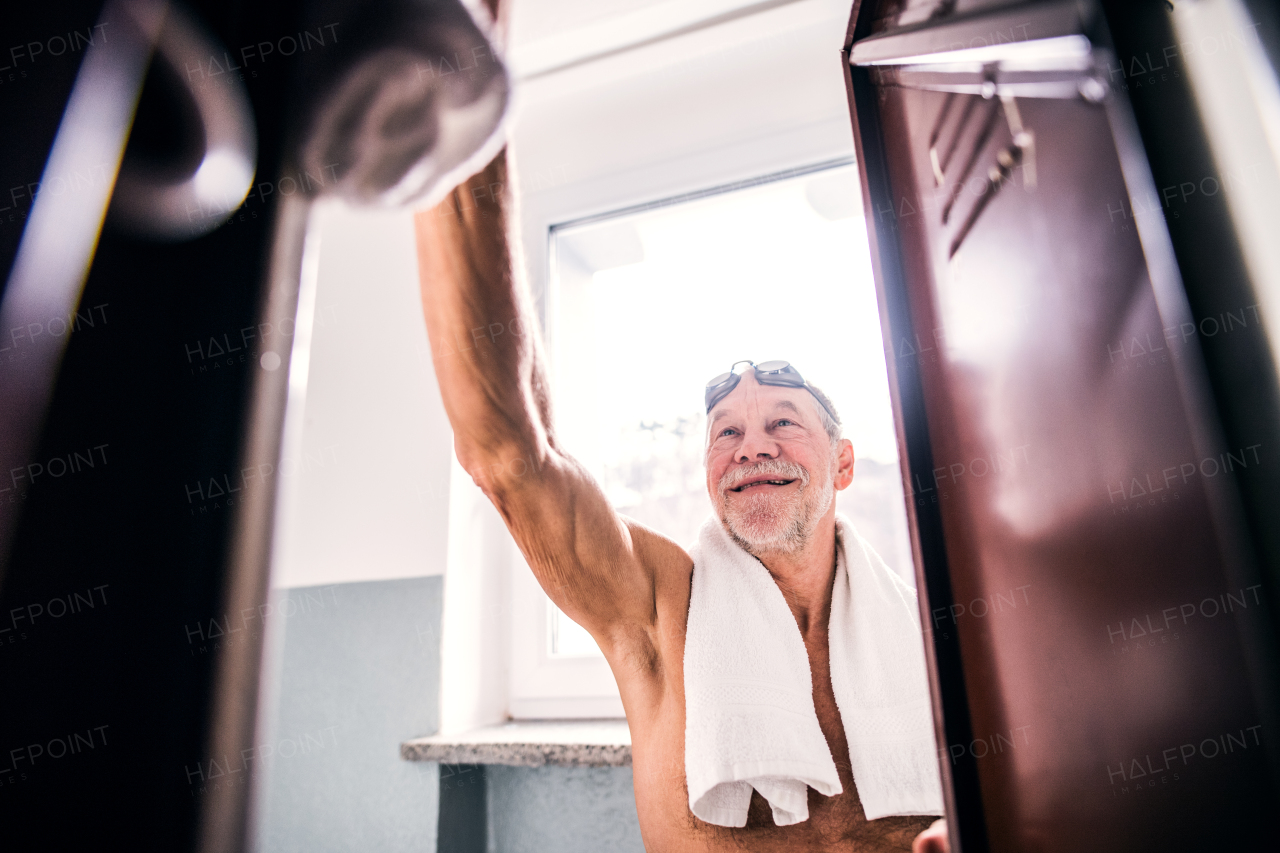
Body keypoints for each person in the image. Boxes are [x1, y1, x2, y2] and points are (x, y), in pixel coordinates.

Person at [415, 152, 950, 852]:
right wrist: (459, 133)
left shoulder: (934, 628)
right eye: (727, 432)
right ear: (709, 473)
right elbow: (510, 455)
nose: (752, 447)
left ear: (843, 462)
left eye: (782, 422)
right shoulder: (657, 601)